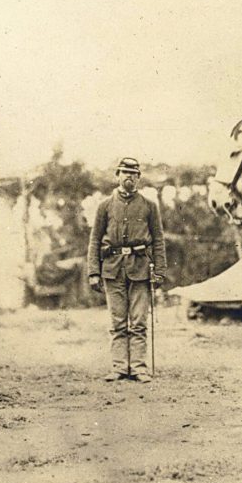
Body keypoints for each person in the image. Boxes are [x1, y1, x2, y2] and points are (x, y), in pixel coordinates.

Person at [87, 158, 167, 383]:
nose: (129, 176)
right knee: (117, 322)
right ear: (117, 175)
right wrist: (93, 272)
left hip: (140, 268)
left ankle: (139, 368)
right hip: (112, 269)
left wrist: (160, 270)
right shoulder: (104, 206)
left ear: (139, 178)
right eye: (124, 172)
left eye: (133, 173)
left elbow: (158, 240)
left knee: (139, 321)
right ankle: (119, 367)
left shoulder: (149, 206)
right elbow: (94, 240)